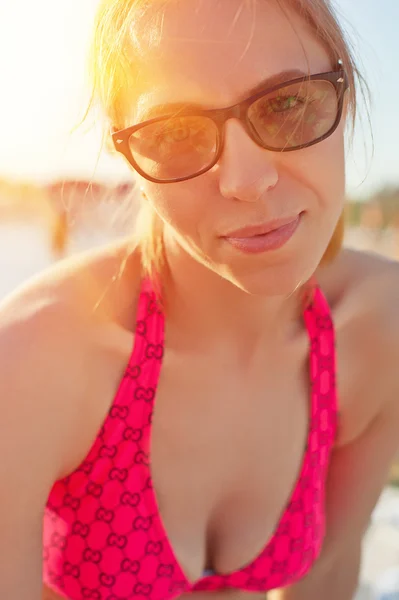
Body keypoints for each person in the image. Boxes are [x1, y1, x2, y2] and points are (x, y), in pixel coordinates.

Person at [1, 1, 399, 599]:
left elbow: (331, 571)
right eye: (175, 133)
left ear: (346, 92)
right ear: (126, 156)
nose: (246, 180)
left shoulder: (376, 323)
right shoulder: (37, 359)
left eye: (289, 103)